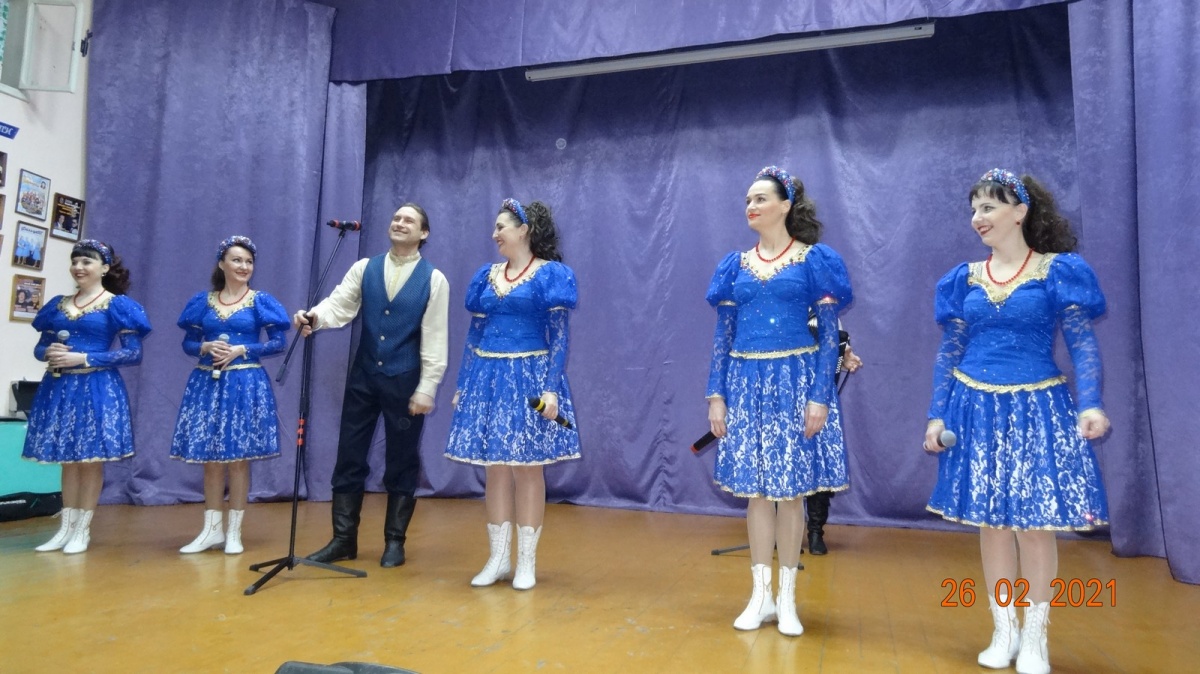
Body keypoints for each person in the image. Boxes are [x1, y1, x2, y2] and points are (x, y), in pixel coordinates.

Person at [924, 169, 1110, 674]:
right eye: (974, 209)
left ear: (1020, 211)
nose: (977, 218)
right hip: (974, 409)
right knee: (992, 524)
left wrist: (1090, 403)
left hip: (1037, 408)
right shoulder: (964, 279)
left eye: (988, 207)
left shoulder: (1056, 270)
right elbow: (949, 351)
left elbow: (1082, 343)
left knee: (1033, 526)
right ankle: (1003, 630)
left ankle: (1035, 637)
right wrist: (936, 413)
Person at [706, 166, 852, 636]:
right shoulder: (734, 266)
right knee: (756, 494)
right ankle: (760, 596)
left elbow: (828, 337)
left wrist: (820, 395)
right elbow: (722, 337)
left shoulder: (814, 260)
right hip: (746, 383)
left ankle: (787, 600)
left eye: (761, 198)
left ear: (785, 205)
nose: (751, 205)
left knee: (790, 495)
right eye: (748, 199)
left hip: (795, 382)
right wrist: (716, 395)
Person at [294, 203, 449, 568]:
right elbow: (339, 305)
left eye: (409, 220)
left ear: (423, 233)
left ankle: (394, 541)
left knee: (401, 460)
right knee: (349, 456)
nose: (400, 223)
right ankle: (343, 539)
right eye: (396, 218)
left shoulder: (434, 279)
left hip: (405, 380)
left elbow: (435, 337)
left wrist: (427, 386)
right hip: (363, 377)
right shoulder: (365, 268)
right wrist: (314, 317)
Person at [446, 198, 580, 591]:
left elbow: (560, 337)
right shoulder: (485, 277)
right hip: (488, 378)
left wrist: (551, 389)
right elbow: (474, 335)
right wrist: (463, 384)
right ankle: (498, 559)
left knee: (527, 468)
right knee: (495, 468)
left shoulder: (550, 275)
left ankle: (526, 563)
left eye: (501, 227)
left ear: (524, 231)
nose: (495, 234)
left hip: (530, 378)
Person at [23, 240, 152, 554]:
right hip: (60, 387)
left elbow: (133, 353)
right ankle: (64, 530)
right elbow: (40, 348)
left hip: (97, 387)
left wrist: (84, 358)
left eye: (87, 262)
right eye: (75, 261)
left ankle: (82, 530)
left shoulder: (117, 305)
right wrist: (48, 352)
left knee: (90, 460)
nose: (79, 267)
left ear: (104, 268)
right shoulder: (58, 305)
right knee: (68, 461)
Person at [170, 236, 290, 555]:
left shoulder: (260, 301)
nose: (243, 266)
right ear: (222, 263)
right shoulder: (203, 301)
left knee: (237, 460)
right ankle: (211, 530)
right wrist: (204, 346)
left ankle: (234, 532)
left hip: (245, 381)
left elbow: (278, 343)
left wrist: (242, 349)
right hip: (207, 382)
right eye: (237, 260)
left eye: (249, 262)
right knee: (211, 460)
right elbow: (188, 344)